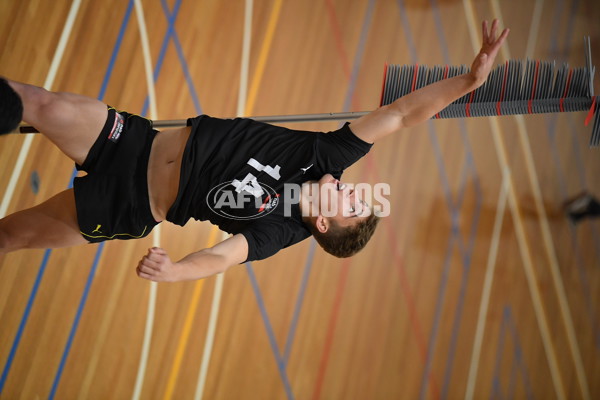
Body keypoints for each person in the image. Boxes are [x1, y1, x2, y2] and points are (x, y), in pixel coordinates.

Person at [0, 20, 509, 282]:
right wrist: (467, 81)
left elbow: (222, 257)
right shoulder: (327, 155)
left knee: (9, 237)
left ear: (325, 225)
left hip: (128, 206)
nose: (352, 191)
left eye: (351, 205)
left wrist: (176, 270)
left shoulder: (279, 230)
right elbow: (400, 114)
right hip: (133, 141)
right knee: (40, 104)